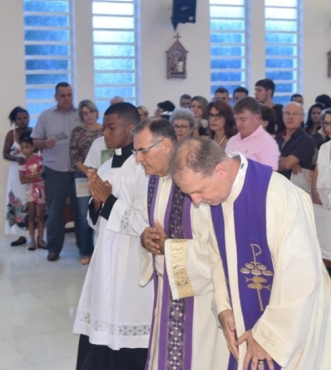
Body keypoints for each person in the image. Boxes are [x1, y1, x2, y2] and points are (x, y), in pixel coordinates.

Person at [161, 138, 331, 369]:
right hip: (246, 324)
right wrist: (224, 306)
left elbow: (301, 275)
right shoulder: (214, 199)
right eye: (189, 194)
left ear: (220, 170)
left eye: (198, 191)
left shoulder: (277, 196)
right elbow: (216, 257)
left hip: (292, 325)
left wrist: (268, 336)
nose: (195, 202)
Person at [133, 118, 229, 369]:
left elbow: (217, 250)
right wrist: (146, 239)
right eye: (136, 152)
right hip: (166, 292)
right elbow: (151, 226)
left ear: (165, 145)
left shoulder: (195, 180)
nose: (138, 159)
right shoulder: (154, 179)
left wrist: (169, 248)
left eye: (142, 151)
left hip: (200, 301)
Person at [74, 102, 152, 370]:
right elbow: (95, 222)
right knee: (101, 317)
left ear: (130, 128)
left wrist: (108, 200)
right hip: (105, 257)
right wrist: (96, 204)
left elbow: (144, 222)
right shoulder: (105, 168)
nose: (104, 133)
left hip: (130, 259)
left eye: (111, 127)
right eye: (104, 127)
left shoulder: (143, 169)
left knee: (125, 317)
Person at [31, 82, 85, 261]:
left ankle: (84, 249)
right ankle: (53, 249)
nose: (67, 98)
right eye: (62, 95)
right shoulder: (46, 116)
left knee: (81, 211)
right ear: (56, 97)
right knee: (55, 211)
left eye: (69, 94)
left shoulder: (81, 115)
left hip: (79, 171)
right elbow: (35, 141)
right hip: (55, 170)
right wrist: (45, 143)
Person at [70, 99, 104, 264]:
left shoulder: (105, 131)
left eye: (91, 111)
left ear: (96, 112)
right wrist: (90, 173)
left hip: (104, 176)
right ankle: (86, 252)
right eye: (85, 113)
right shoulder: (77, 132)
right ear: (81, 115)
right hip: (82, 177)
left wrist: (98, 174)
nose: (88, 115)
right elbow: (74, 158)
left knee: (103, 213)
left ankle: (101, 251)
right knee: (84, 215)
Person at [4, 106, 33, 247]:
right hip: (16, 172)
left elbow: (40, 149)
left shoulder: (34, 132)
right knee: (18, 201)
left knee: (33, 200)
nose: (23, 121)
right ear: (15, 121)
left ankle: (37, 236)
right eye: (19, 119)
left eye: (25, 118)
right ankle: (20, 235)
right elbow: (5, 153)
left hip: (32, 170)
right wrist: (17, 159)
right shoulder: (11, 134)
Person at [225, 97, 279, 170]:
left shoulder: (267, 142)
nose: (238, 124)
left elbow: (270, 177)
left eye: (242, 119)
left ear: (256, 118)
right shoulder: (232, 140)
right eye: (236, 119)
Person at [18, 133, 46, 251]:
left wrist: (30, 177)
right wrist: (34, 177)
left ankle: (40, 240)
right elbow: (22, 180)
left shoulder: (39, 159)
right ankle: (32, 241)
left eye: (27, 147)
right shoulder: (21, 162)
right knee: (31, 216)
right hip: (29, 190)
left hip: (40, 189)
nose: (25, 150)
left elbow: (42, 174)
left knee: (40, 216)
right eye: (22, 147)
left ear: (32, 147)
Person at [276, 102, 315, 181]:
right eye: (287, 113)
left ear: (302, 117)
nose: (290, 117)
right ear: (282, 116)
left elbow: (287, 164)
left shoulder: (306, 140)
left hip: (294, 187)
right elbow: (263, 160)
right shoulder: (278, 137)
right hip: (275, 184)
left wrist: (272, 159)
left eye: (295, 114)